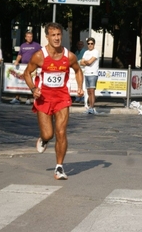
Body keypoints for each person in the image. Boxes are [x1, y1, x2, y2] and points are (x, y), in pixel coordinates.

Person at [23, 22, 84, 180]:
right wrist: (32, 89)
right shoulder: (39, 56)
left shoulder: (69, 56)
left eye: (59, 35)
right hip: (44, 98)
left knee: (61, 133)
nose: (57, 38)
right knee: (49, 134)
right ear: (47, 37)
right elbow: (27, 73)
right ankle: (44, 139)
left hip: (62, 97)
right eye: (53, 35)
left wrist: (79, 86)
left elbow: (78, 70)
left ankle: (59, 168)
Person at [10, 31, 41, 105]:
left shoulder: (36, 45)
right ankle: (17, 98)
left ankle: (28, 98)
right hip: (23, 66)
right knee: (21, 82)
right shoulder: (23, 45)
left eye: (31, 37)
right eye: (28, 37)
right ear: (25, 37)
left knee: (30, 82)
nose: (30, 38)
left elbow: (41, 53)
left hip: (32, 67)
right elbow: (20, 55)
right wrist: (17, 61)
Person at [80, 37, 99, 114]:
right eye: (88, 43)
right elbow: (81, 62)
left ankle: (92, 107)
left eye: (92, 43)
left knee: (92, 91)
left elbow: (89, 62)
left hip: (93, 73)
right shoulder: (86, 52)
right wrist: (86, 62)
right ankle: (90, 106)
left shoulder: (96, 52)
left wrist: (86, 62)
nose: (90, 45)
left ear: (94, 44)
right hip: (86, 73)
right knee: (88, 91)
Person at [74, 40, 88, 105]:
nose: (80, 46)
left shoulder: (85, 52)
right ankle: (77, 97)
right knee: (77, 84)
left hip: (83, 70)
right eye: (78, 44)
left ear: (83, 45)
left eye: (81, 44)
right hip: (77, 70)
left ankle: (82, 98)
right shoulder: (76, 52)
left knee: (83, 84)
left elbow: (85, 61)